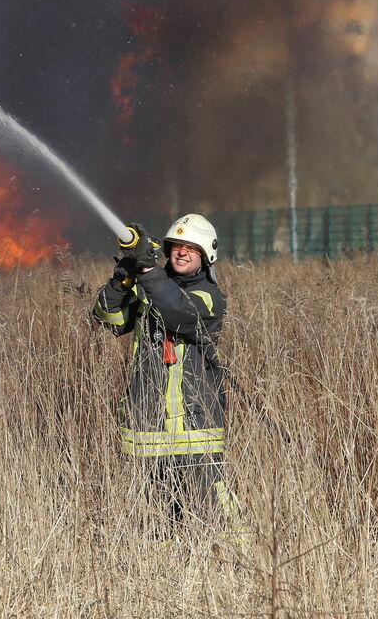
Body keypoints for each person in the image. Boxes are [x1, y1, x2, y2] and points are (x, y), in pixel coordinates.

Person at [92, 213, 239, 535]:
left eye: (191, 248)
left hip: (194, 424)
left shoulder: (209, 297)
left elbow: (179, 313)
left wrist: (147, 271)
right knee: (159, 522)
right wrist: (121, 283)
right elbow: (108, 319)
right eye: (176, 246)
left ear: (205, 256)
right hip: (149, 425)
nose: (182, 252)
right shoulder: (150, 290)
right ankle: (169, 576)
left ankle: (233, 569)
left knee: (211, 513)